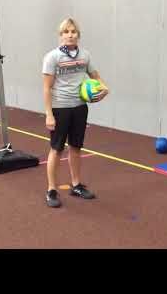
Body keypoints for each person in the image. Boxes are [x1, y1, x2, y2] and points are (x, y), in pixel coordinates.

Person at [42, 18, 109, 208]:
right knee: (56, 149)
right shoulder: (52, 57)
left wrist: (104, 89)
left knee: (76, 147)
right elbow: (46, 88)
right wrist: (49, 114)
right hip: (60, 108)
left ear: (78, 35)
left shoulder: (85, 55)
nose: (70, 35)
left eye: (73, 31)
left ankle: (76, 185)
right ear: (60, 35)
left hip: (80, 107)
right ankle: (51, 190)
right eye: (66, 32)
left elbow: (95, 75)